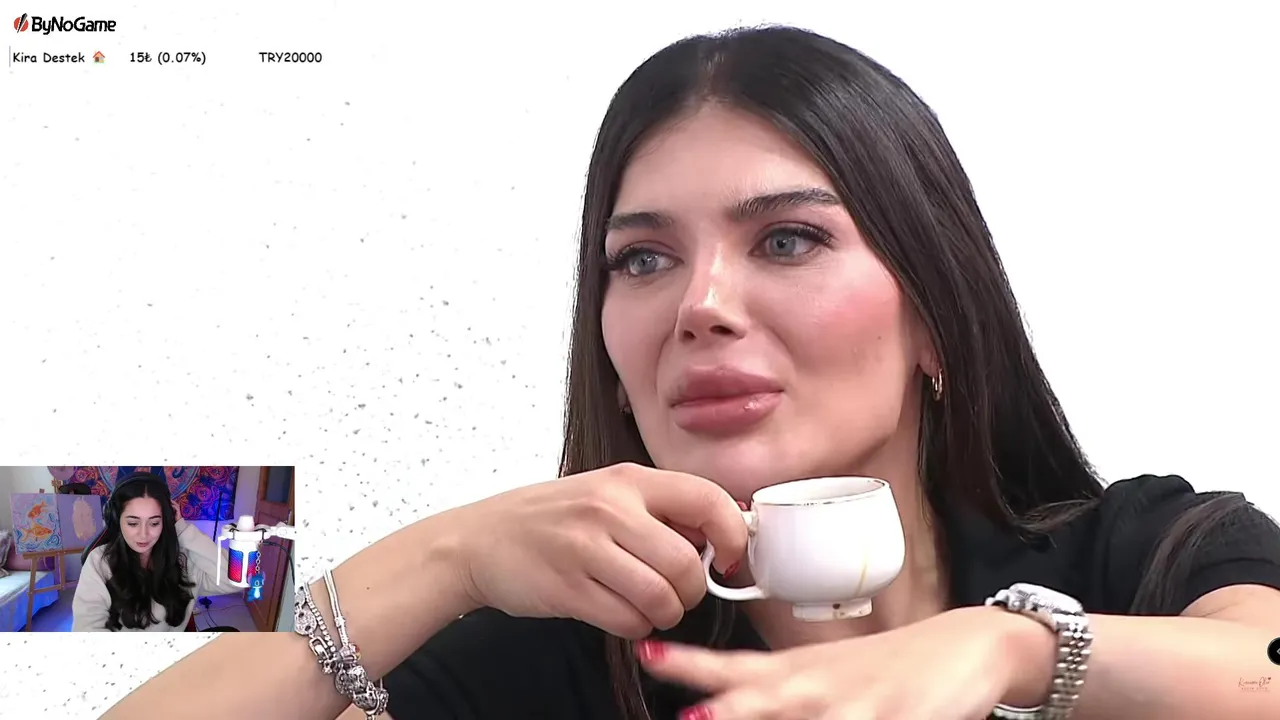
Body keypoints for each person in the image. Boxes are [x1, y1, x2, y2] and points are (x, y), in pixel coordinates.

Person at [101, 25, 1280, 720]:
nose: (699, 305)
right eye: (644, 260)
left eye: (787, 240)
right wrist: (445, 556)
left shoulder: (1147, 554)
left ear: (935, 317)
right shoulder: (560, 661)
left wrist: (1010, 649)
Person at [73, 472, 240, 632]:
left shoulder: (184, 560)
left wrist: (182, 530)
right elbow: (87, 629)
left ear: (166, 521)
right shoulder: (99, 562)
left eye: (154, 523)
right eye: (133, 523)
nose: (144, 534)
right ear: (117, 520)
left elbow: (234, 579)